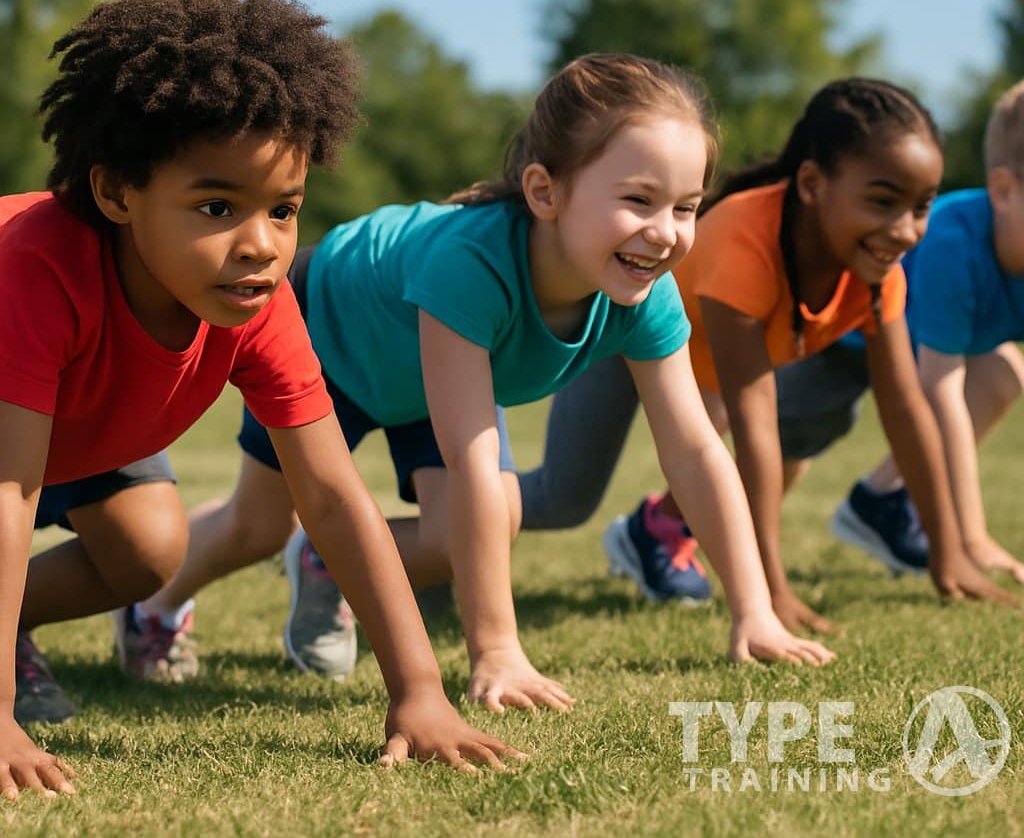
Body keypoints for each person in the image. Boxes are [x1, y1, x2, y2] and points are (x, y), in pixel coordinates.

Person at [131, 53, 834, 707]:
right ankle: (152, 609)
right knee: (256, 525)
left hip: (424, 370)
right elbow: (470, 454)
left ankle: (324, 560)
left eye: (684, 207)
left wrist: (755, 612)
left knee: (471, 526)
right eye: (639, 200)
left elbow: (696, 451)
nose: (665, 231)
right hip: (329, 332)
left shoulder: (644, 292)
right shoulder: (471, 266)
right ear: (544, 191)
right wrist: (496, 650)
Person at [0, 0, 520, 800]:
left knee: (148, 551)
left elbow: (335, 498)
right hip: (10, 442)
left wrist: (419, 692)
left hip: (74, 430)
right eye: (216, 208)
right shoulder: (31, 269)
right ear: (115, 191)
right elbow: (11, 491)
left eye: (283, 210)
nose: (261, 245)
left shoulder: (257, 305)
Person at [512, 78, 1014, 634]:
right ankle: (439, 523)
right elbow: (755, 430)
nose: (903, 230)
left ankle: (655, 532)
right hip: (623, 336)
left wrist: (948, 552)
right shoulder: (745, 242)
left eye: (921, 207)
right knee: (563, 500)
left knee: (809, 415)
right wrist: (770, 592)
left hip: (704, 379)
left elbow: (906, 408)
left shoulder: (877, 276)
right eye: (881, 201)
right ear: (812, 183)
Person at [779, 78, 1024, 583]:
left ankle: (882, 501)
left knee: (1002, 374)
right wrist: (968, 537)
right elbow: (940, 388)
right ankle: (664, 525)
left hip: (918, 347)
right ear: (1002, 190)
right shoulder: (954, 241)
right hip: (840, 339)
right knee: (787, 448)